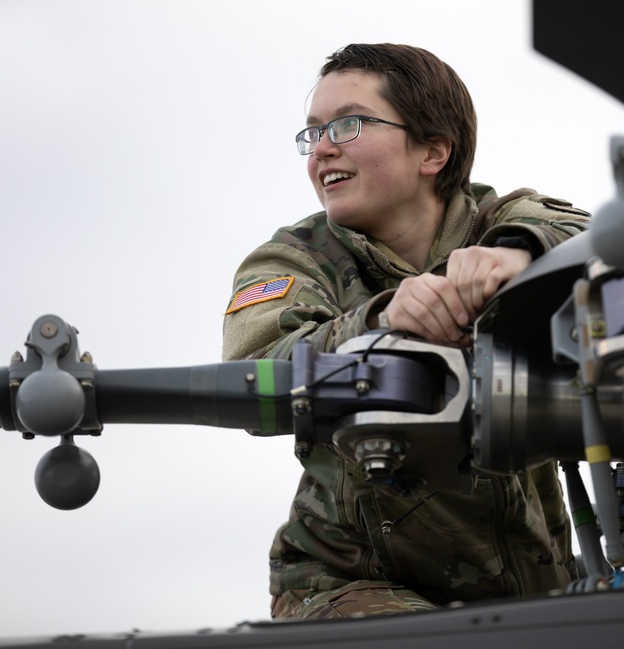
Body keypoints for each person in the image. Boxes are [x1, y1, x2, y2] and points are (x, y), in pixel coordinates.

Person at [222, 43, 589, 620]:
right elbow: (255, 372)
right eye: (312, 131)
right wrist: (380, 322)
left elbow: (589, 237)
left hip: (538, 591)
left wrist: (520, 260)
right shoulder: (295, 259)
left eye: (348, 124)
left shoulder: (500, 221)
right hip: (352, 587)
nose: (321, 147)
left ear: (433, 151)